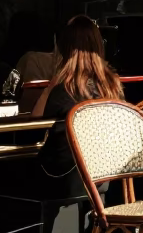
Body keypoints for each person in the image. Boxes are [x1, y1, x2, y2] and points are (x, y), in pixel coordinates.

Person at [32, 16, 125, 199]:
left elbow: (36, 124)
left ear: (64, 47)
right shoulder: (113, 86)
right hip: (105, 175)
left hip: (67, 176)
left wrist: (49, 87)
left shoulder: (64, 90)